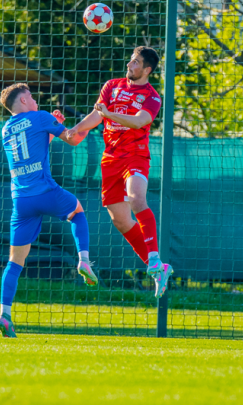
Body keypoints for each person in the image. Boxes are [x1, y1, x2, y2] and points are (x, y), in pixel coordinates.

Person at [66, 46, 172, 298]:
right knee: (121, 220)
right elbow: (96, 115)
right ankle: (157, 267)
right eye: (131, 59)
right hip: (110, 159)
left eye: (135, 62)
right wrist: (74, 132)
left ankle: (155, 258)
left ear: (147, 70)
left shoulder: (152, 96)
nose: (129, 64)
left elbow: (138, 121)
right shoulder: (112, 85)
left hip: (135, 155)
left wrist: (109, 114)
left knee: (136, 198)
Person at [0, 83, 98, 338]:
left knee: (14, 262)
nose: (34, 99)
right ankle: (84, 260)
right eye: (30, 96)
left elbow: (32, 145)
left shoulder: (6, 128)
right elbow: (73, 139)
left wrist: (52, 129)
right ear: (21, 102)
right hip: (45, 191)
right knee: (77, 211)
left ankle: (4, 314)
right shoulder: (40, 117)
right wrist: (89, 124)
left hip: (21, 201)